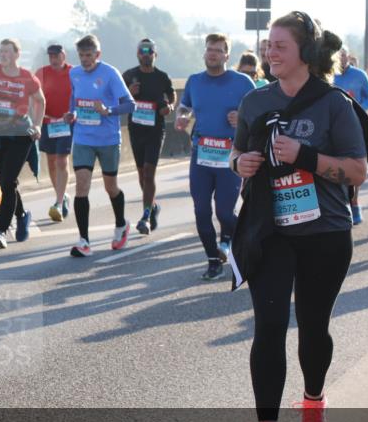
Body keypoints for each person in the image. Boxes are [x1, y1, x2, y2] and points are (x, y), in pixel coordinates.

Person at [230, 12, 366, 422]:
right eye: (268, 45)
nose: (270, 52)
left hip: (324, 233)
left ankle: (313, 400)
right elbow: (237, 151)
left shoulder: (333, 104)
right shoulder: (255, 102)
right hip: (269, 231)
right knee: (269, 326)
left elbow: (357, 172)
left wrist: (305, 156)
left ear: (306, 52)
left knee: (312, 326)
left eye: (280, 45)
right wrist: (239, 164)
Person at [176, 33, 256, 280]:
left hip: (229, 155)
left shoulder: (242, 82)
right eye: (209, 49)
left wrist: (242, 117)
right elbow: (184, 105)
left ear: (227, 56)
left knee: (224, 213)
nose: (212, 54)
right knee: (201, 211)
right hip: (201, 155)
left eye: (218, 50)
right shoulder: (194, 81)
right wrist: (183, 115)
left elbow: (260, 113)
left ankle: (252, 241)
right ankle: (213, 260)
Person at [64, 34, 136, 257]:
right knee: (81, 186)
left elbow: (130, 105)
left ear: (98, 54)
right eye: (81, 56)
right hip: (83, 138)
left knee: (110, 187)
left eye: (89, 55)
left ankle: (121, 224)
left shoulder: (110, 74)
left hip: (108, 140)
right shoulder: (74, 73)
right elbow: (74, 98)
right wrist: (71, 114)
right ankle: (84, 241)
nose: (85, 60)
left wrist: (108, 110)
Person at [0, 39, 45, 249]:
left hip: (20, 134)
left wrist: (38, 125)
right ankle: (22, 215)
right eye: (1, 51)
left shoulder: (27, 77)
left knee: (7, 181)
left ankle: (2, 229)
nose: (3, 54)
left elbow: (40, 100)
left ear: (17, 54)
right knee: (1, 182)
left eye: (7, 51)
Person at [124, 38, 176, 234]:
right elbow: (117, 98)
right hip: (136, 129)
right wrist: (129, 93)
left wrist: (170, 106)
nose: (146, 54)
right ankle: (153, 206)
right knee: (141, 175)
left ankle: (145, 215)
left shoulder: (162, 77)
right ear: (137, 54)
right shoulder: (129, 75)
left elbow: (172, 95)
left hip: (155, 130)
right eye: (142, 51)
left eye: (149, 51)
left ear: (155, 54)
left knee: (149, 172)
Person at [333, 47, 368, 225]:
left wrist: (359, 107)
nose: (340, 58)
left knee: (354, 165)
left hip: (356, 125)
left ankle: (354, 202)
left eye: (343, 55)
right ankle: (340, 204)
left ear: (348, 56)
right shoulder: (328, 74)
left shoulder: (359, 75)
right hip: (332, 127)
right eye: (337, 55)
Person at [35, 44, 74, 222]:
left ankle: (58, 203)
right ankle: (62, 195)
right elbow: (32, 95)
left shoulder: (74, 72)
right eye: (50, 56)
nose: (53, 59)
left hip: (66, 123)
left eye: (56, 56)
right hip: (47, 123)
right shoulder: (41, 73)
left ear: (63, 55)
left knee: (61, 160)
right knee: (51, 161)